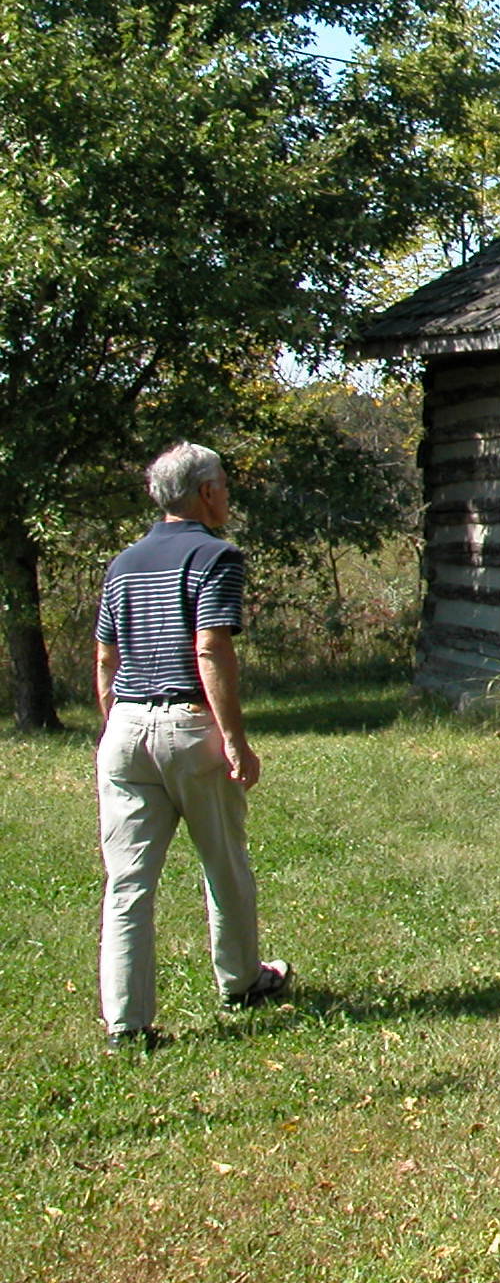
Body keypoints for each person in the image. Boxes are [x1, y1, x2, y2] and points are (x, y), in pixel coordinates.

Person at [93, 442, 290, 1050]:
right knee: (224, 863)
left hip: (125, 726)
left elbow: (105, 657)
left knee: (127, 884)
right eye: (224, 485)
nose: (228, 494)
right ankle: (241, 981)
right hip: (188, 725)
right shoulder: (216, 556)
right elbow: (210, 648)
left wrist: (117, 722)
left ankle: (127, 1025)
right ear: (204, 493)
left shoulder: (123, 563)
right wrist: (234, 739)